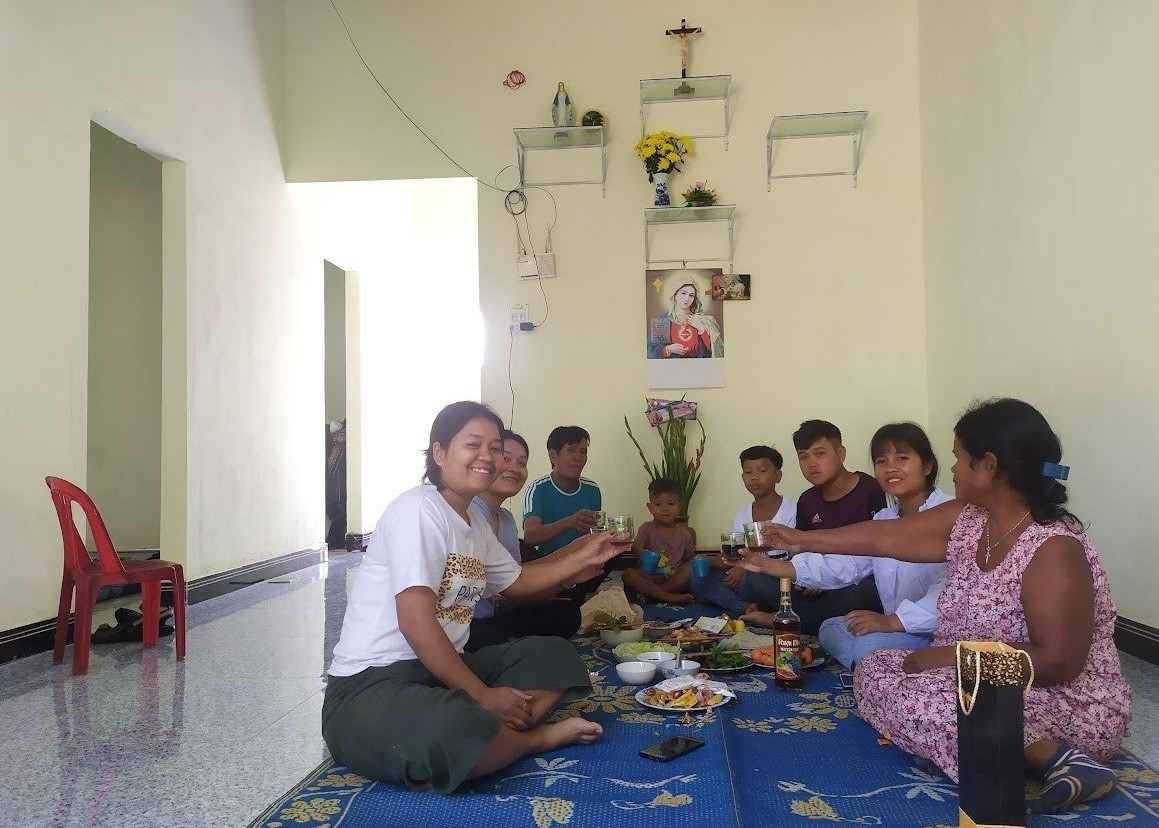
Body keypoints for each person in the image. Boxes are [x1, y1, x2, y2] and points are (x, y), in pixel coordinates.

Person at [754, 399, 1132, 814]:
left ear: (988, 464)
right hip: (974, 679)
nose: (952, 469)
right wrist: (801, 540)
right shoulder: (972, 519)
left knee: (932, 701)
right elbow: (887, 538)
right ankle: (1004, 747)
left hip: (1062, 698)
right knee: (876, 669)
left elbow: (1060, 663)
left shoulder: (1054, 546)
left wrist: (950, 659)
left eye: (957, 458)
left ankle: (1057, 757)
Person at [322, 402, 628, 794]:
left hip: (444, 674)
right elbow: (415, 622)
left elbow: (519, 582)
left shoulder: (475, 522)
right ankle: (530, 739)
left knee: (555, 655)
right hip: (372, 684)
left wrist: (587, 554)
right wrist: (481, 695)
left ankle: (482, 743)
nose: (489, 456)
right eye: (473, 444)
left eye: (495, 446)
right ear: (439, 452)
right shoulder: (419, 509)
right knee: (450, 727)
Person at [740, 423, 952, 668]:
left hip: (939, 631)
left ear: (927, 465)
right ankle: (881, 667)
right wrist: (772, 567)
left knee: (864, 639)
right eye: (881, 461)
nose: (890, 468)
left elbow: (950, 594)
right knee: (831, 627)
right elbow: (849, 562)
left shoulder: (949, 514)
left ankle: (876, 669)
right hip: (897, 629)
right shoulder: (884, 518)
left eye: (902, 458)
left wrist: (892, 622)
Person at [741, 420, 887, 633]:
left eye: (820, 454)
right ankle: (809, 618)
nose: (812, 463)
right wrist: (806, 578)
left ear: (841, 453)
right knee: (755, 575)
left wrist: (819, 577)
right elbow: (803, 548)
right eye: (803, 456)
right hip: (812, 585)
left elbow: (878, 554)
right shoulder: (807, 500)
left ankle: (785, 618)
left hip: (854, 582)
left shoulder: (872, 490)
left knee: (864, 592)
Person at [466, 430, 581, 652]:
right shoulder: (464, 514)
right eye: (506, 458)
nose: (515, 468)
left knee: (566, 613)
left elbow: (517, 582)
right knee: (485, 638)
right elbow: (514, 582)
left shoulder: (507, 520)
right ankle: (506, 647)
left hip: (497, 611)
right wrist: (575, 559)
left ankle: (509, 645)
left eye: (522, 462)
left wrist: (571, 573)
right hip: (462, 623)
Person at [690, 445, 795, 616]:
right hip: (746, 581)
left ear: (778, 476)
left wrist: (746, 570)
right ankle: (745, 607)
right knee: (697, 576)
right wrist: (705, 561)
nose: (754, 477)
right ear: (742, 477)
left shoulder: (791, 511)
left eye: (762, 471)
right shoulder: (741, 515)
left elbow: (797, 561)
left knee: (754, 577)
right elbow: (734, 555)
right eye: (748, 472)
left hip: (776, 581)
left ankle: (759, 604)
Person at [522, 426, 601, 563]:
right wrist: (570, 522)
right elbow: (530, 536)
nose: (578, 458)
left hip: (583, 562)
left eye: (583, 452)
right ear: (553, 455)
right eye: (571, 450)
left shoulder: (592, 489)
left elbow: (594, 532)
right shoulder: (538, 488)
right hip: (548, 563)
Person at [623, 477, 697, 604]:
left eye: (670, 504)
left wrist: (677, 571)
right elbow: (636, 548)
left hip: (672, 580)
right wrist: (649, 558)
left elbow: (688, 560)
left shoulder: (685, 534)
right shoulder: (646, 528)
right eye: (658, 504)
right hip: (649, 577)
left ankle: (653, 595)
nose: (665, 508)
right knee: (628, 574)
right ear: (650, 507)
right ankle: (668, 597)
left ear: (679, 506)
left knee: (691, 570)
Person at [647, 280, 723, 359]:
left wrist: (701, 329)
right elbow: (651, 349)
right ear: (675, 295)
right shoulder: (663, 319)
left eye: (691, 295)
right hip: (672, 367)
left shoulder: (703, 319)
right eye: (683, 293)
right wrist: (669, 349)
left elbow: (717, 351)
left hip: (699, 366)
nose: (687, 299)